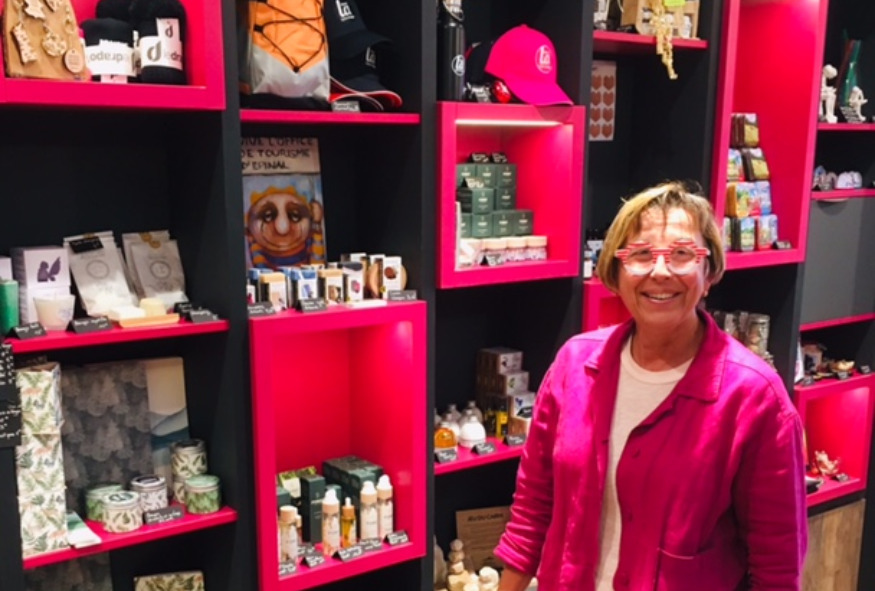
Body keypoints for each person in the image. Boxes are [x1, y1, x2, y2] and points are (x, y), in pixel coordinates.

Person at [494, 182, 807, 591]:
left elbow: (776, 564)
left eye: (682, 254)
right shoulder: (574, 366)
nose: (660, 271)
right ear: (616, 272)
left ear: (709, 273)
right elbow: (532, 512)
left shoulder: (755, 397)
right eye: (641, 254)